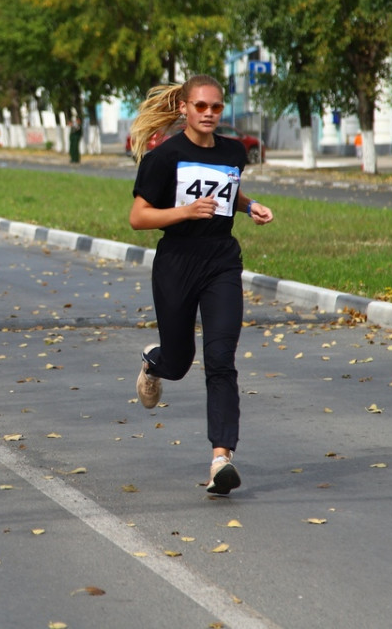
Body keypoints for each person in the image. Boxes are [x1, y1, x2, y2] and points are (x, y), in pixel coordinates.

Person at [128, 74, 274, 497]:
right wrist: (185, 212)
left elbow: (228, 190)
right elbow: (139, 217)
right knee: (179, 360)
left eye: (215, 107)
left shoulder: (232, 151)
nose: (209, 114)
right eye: (201, 107)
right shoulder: (165, 156)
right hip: (177, 263)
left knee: (220, 358)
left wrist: (249, 206)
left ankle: (220, 459)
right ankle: (154, 364)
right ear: (184, 109)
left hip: (221, 262)